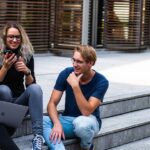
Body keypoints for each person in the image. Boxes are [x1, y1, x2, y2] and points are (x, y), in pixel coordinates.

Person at [43, 45, 109, 150]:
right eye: (73, 60)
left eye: (79, 62)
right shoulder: (66, 73)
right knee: (43, 120)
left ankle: (86, 147)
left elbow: (86, 112)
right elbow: (51, 104)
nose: (74, 64)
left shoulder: (101, 82)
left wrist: (75, 86)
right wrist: (57, 124)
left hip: (89, 121)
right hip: (68, 120)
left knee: (82, 124)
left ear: (90, 63)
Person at [0, 22, 44, 150]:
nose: (14, 40)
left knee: (35, 89)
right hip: (3, 104)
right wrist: (5, 67)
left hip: (19, 102)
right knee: (4, 89)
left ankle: (38, 138)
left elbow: (31, 85)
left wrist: (27, 71)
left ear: (22, 38)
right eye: (11, 36)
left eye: (17, 37)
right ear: (5, 38)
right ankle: (7, 125)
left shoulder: (27, 55)